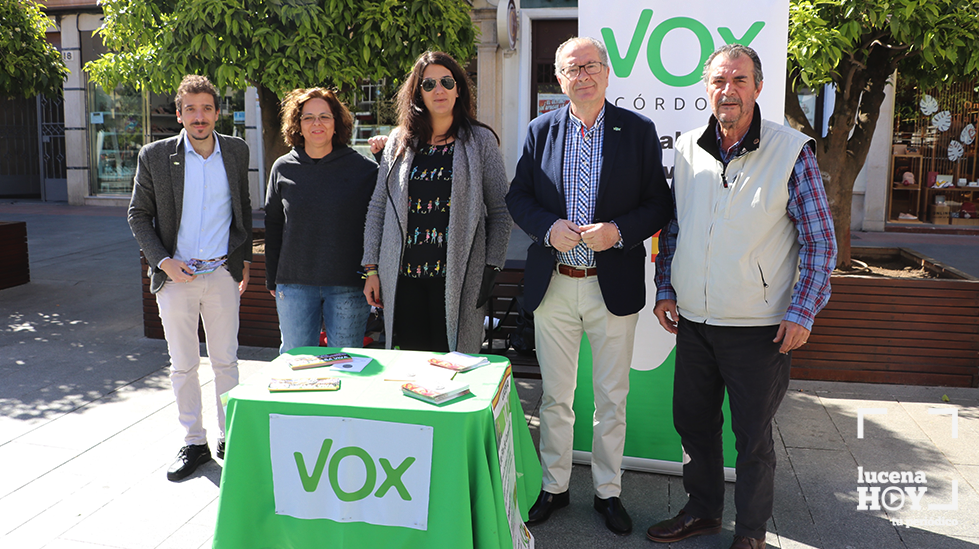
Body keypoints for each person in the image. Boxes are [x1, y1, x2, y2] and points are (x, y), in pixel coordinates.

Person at [645, 44, 837, 549]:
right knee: (692, 424)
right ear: (707, 88)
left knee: (752, 438)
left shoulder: (792, 151)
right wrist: (666, 287)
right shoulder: (686, 147)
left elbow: (820, 241)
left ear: (757, 87)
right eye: (718, 81)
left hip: (759, 327)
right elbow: (674, 228)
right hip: (694, 322)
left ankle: (751, 533)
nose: (727, 90)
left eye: (739, 80)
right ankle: (704, 511)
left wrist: (803, 311)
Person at [505, 36, 672, 535]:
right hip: (555, 286)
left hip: (611, 285)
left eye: (591, 66)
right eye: (572, 68)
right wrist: (546, 227)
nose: (583, 75)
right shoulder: (541, 130)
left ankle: (608, 492)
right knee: (555, 397)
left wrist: (617, 232)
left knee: (611, 398)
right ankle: (554, 487)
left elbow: (658, 204)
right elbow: (519, 197)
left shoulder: (638, 131)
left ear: (606, 72)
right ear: (559, 78)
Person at [128, 74, 252, 481]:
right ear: (179, 115)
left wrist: (243, 258)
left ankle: (230, 437)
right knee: (183, 365)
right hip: (175, 276)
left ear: (218, 113)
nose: (200, 117)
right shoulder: (156, 156)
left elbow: (243, 208)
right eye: (191, 109)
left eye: (207, 108)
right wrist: (163, 261)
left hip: (220, 274)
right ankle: (194, 442)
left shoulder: (235, 151)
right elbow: (138, 215)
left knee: (226, 362)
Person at [362, 51, 511, 353]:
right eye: (428, 85)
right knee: (414, 370)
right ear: (418, 93)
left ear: (459, 88)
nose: (438, 90)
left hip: (459, 281)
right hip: (404, 281)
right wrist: (371, 269)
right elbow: (378, 208)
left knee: (454, 368)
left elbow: (501, 212)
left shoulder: (481, 141)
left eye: (446, 81)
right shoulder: (399, 141)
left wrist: (491, 267)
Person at [264, 88, 378, 353]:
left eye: (325, 116)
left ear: (336, 123)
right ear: (297, 125)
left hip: (348, 285)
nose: (317, 123)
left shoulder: (364, 169)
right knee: (296, 365)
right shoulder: (282, 168)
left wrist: (373, 274)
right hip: (294, 285)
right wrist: (273, 279)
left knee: (346, 365)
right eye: (308, 117)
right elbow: (273, 226)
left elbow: (376, 226)